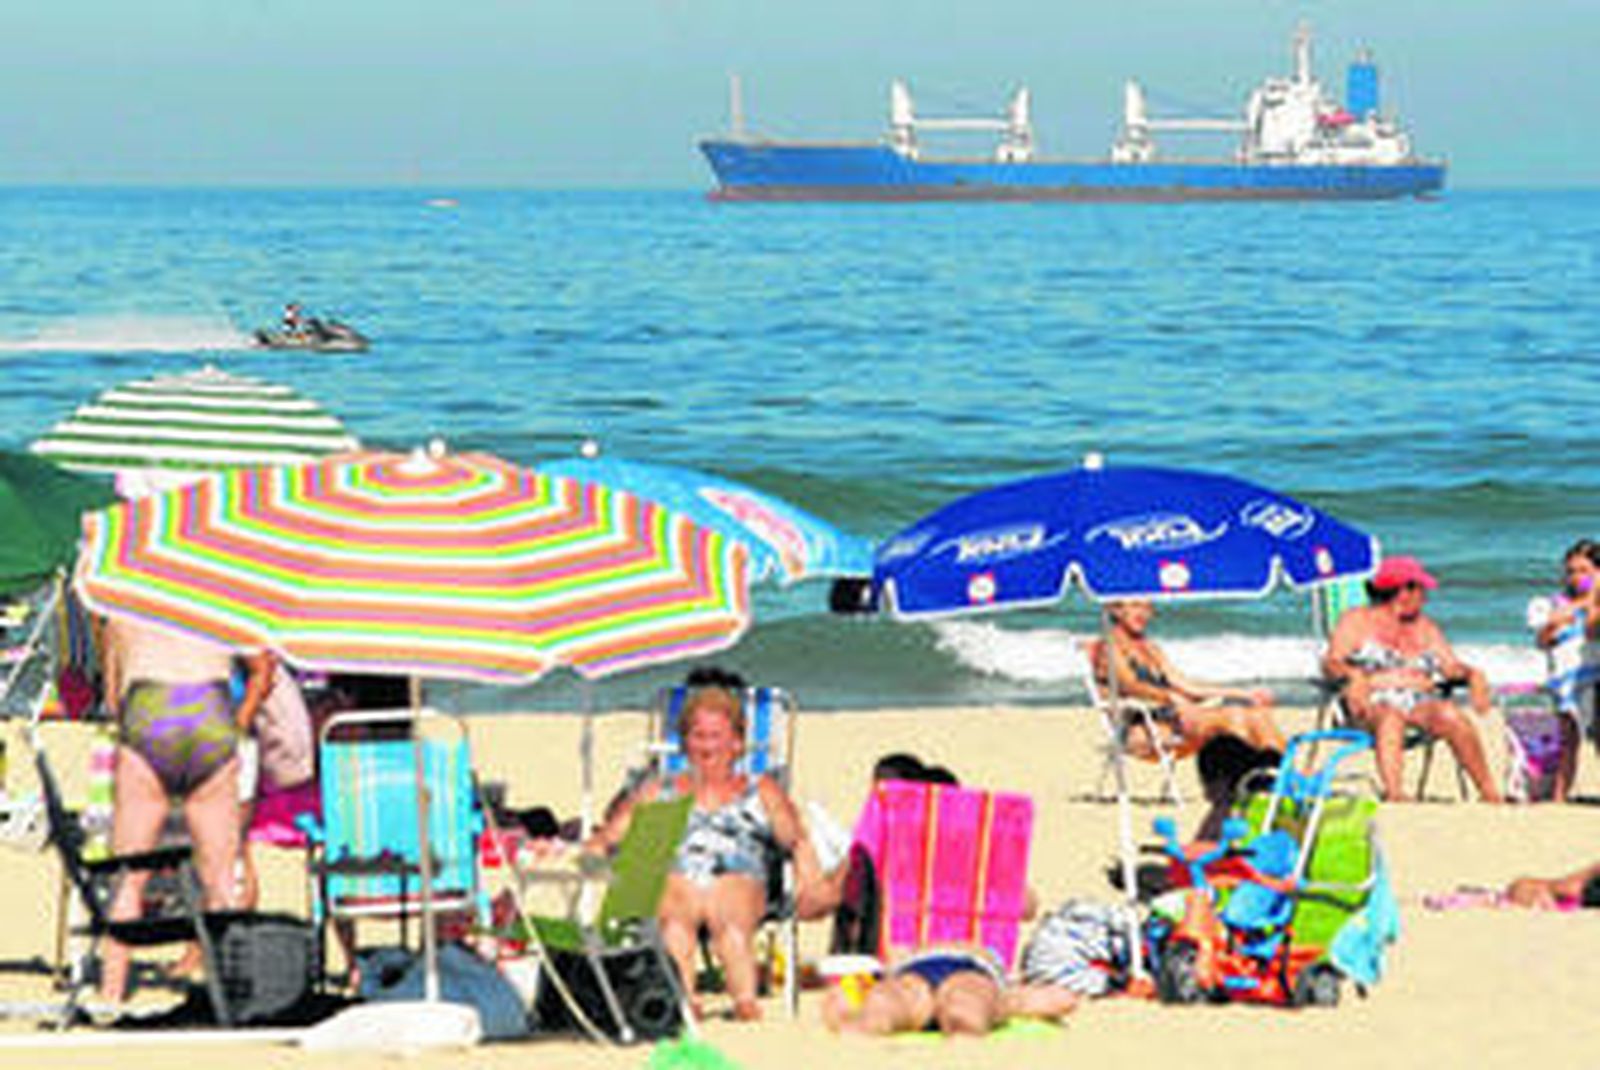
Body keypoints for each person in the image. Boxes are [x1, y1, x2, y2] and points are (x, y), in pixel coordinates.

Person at [585, 680, 813, 1021]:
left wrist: (794, 840)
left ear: (737, 743)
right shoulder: (658, 788)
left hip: (739, 879)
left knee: (728, 912)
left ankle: (745, 1001)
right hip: (678, 884)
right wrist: (588, 850)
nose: (706, 747)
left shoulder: (759, 787)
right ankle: (686, 999)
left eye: (716, 736)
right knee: (676, 915)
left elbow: (792, 837)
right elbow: (612, 834)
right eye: (697, 736)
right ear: (684, 743)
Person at [94, 615, 275, 1006]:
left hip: (149, 704)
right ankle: (224, 992)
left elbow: (111, 697)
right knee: (220, 879)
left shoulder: (127, 603)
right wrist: (239, 723)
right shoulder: (214, 598)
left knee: (128, 876)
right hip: (209, 708)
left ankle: (111, 993)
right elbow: (265, 670)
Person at [1322, 555, 1503, 803]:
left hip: (1418, 701)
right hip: (1368, 702)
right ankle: (1395, 793)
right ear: (1402, 591)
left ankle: (1489, 792)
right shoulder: (1356, 620)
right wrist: (1354, 676)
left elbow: (1449, 666)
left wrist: (1472, 674)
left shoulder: (1425, 627)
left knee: (1450, 714)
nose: (1425, 597)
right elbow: (1331, 662)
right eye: (1420, 589)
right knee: (1390, 714)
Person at [1090, 599, 1286, 756]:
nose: (1143, 614)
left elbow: (1186, 685)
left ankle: (1282, 779)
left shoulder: (1150, 649)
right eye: (1135, 606)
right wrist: (1172, 698)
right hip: (1140, 731)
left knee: (1255, 714)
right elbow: (1131, 685)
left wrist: (1245, 693)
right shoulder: (1108, 648)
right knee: (1236, 718)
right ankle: (1281, 782)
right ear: (1116, 610)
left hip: (1172, 720)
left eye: (1148, 608)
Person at [823, 944, 1078, 1037]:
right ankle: (965, 1029)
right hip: (966, 968)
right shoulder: (993, 968)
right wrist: (1013, 1002)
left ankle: (870, 1024)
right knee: (968, 998)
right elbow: (1059, 999)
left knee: (893, 999)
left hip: (915, 968)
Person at [1526, 539, 1600, 800]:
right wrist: (1553, 623)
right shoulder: (1551, 604)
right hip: (1566, 679)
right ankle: (1560, 795)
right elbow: (1542, 642)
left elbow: (1592, 631)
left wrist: (1590, 601)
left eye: (1584, 571)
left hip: (1594, 674)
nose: (1576, 577)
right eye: (1571, 571)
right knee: (1570, 739)